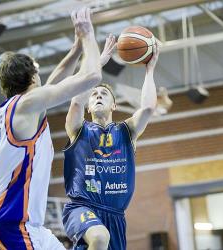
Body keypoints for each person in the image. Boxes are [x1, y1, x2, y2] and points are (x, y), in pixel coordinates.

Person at [0, 7, 102, 250]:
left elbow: (56, 81)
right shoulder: (27, 105)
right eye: (37, 73)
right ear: (33, 78)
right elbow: (93, 75)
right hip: (9, 226)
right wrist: (88, 35)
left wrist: (77, 49)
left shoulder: (18, 108)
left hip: (18, 224)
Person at [62, 39, 161, 249]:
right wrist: (98, 63)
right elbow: (76, 101)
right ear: (89, 106)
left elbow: (148, 109)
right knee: (98, 237)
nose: (98, 96)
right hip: (81, 208)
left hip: (115, 217)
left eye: (104, 94)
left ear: (114, 105)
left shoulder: (127, 131)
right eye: (94, 94)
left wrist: (149, 70)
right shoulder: (79, 129)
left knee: (101, 238)